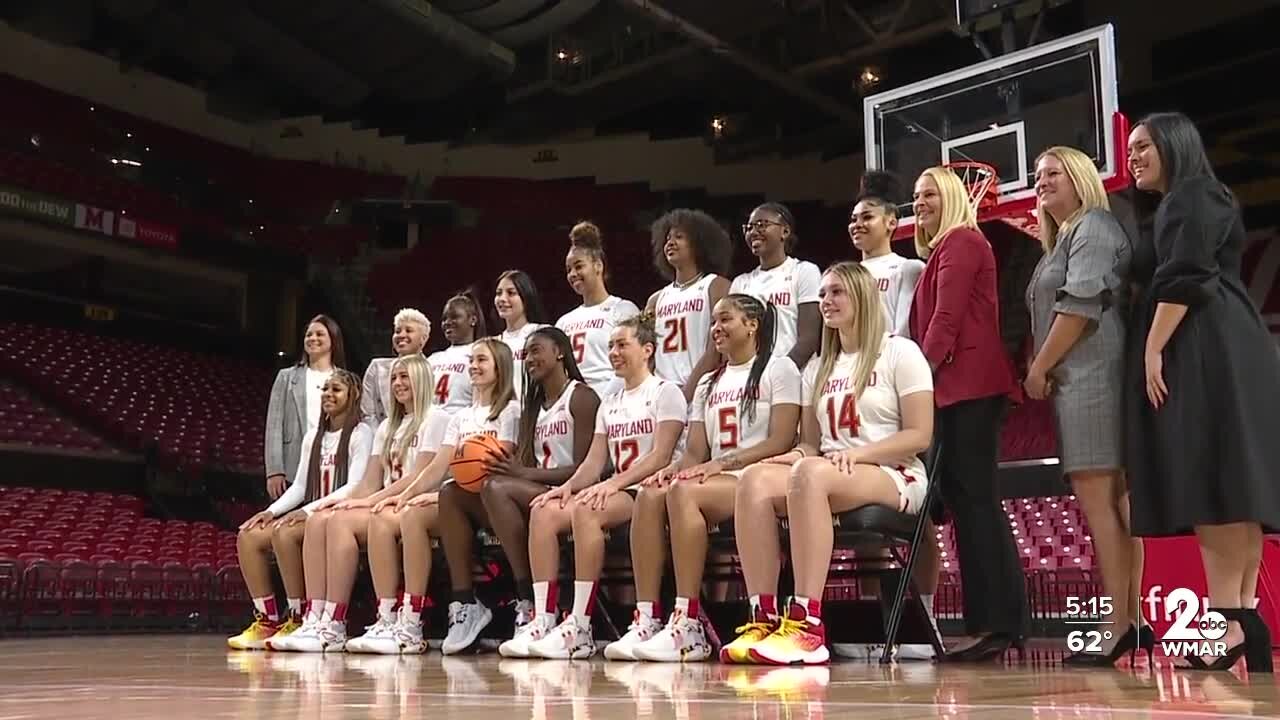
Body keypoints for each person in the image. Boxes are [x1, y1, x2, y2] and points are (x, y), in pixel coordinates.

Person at [1126, 112, 1280, 673]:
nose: (1133, 157)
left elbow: (1187, 273)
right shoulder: (1195, 198)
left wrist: (1152, 347)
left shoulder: (1193, 195)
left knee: (1212, 479)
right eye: (1130, 148)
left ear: (1174, 145)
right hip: (1227, 342)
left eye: (1143, 146)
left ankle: (1229, 620)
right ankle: (1240, 620)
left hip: (1204, 342)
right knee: (1233, 481)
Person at [723, 262, 934, 665]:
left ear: (863, 296)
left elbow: (919, 435)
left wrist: (857, 455)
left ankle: (807, 624)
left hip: (894, 473)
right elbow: (810, 445)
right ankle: (763, 618)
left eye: (836, 292)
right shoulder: (819, 366)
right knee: (753, 479)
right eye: (821, 294)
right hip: (830, 472)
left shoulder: (900, 352)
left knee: (810, 474)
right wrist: (785, 458)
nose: (825, 301)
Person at [627, 294, 800, 662]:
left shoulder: (778, 369)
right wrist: (672, 468)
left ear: (752, 325)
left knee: (683, 493)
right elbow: (694, 452)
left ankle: (688, 621)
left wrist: (722, 463)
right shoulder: (708, 382)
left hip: (762, 476)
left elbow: (782, 439)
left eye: (726, 320)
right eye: (714, 322)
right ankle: (647, 617)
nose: (716, 328)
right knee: (650, 493)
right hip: (721, 479)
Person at [1023, 145, 1144, 665]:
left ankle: (1119, 623)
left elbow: (1078, 307)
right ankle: (1129, 619)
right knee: (1112, 506)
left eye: (1054, 172)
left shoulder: (1093, 225)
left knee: (1103, 506)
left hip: (1093, 378)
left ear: (1079, 177)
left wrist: (1038, 366)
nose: (1041, 180)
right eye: (1038, 174)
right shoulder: (1070, 234)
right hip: (1083, 378)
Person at [908, 166, 1026, 661]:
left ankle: (994, 623)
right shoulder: (947, 249)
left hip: (970, 388)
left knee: (975, 502)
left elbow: (946, 320)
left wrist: (914, 381)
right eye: (916, 197)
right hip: (959, 391)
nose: (920, 203)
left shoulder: (961, 241)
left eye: (930, 194)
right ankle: (996, 622)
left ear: (954, 197)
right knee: (970, 502)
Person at [523, 316, 687, 659]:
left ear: (647, 350)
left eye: (622, 345)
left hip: (653, 489)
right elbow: (594, 462)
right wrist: (566, 488)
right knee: (544, 510)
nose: (613, 352)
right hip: (622, 489)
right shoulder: (609, 401)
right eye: (610, 345)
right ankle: (543, 618)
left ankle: (582, 625)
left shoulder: (665, 391)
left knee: (587, 509)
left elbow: (660, 456)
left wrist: (613, 483)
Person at [272, 354, 442, 652]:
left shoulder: (436, 418)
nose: (398, 383)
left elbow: (418, 476)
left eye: (405, 376)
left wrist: (372, 501)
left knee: (346, 521)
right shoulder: (388, 426)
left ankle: (380, 619)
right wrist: (352, 501)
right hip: (388, 502)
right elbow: (370, 481)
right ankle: (319, 618)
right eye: (394, 378)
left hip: (418, 502)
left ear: (422, 379)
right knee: (321, 518)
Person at [373, 338, 522, 655]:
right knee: (412, 514)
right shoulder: (460, 418)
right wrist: (407, 495)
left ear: (500, 367)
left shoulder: (511, 411)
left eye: (481, 360)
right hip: (462, 502)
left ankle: (526, 604)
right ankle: (416, 618)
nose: (473, 366)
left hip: (498, 502)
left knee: (450, 493)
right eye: (471, 361)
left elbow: (499, 465)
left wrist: (444, 492)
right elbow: (438, 467)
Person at [229, 369, 372, 650]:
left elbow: (355, 486)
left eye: (336, 389)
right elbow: (300, 486)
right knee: (249, 535)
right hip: (313, 513)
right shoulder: (312, 437)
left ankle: (298, 616)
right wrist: (271, 512)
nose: (328, 394)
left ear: (353, 395)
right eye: (325, 389)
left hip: (338, 515)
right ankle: (268, 619)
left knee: (284, 534)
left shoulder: (361, 432)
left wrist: (307, 512)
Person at [486, 328, 600, 657]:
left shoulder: (581, 397)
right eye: (526, 354)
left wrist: (525, 474)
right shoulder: (533, 405)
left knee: (499, 488)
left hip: (576, 491)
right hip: (543, 492)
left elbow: (586, 468)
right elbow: (525, 465)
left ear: (560, 352)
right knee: (490, 485)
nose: (529, 359)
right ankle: (534, 605)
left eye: (536, 350)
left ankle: (532, 598)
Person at [645, 208, 732, 401]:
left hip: (702, 392)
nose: (670, 242)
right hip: (660, 396)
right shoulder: (655, 300)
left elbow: (715, 351)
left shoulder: (716, 286)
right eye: (668, 238)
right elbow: (646, 357)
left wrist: (686, 394)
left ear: (699, 243)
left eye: (679, 236)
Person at [730, 203, 821, 369]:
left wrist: (780, 373)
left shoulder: (804, 271)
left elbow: (809, 338)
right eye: (749, 228)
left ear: (784, 231)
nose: (753, 232)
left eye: (761, 225)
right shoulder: (740, 283)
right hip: (752, 376)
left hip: (796, 373)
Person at [265, 315, 346, 501]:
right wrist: (275, 471)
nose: (312, 338)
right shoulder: (286, 377)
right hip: (292, 470)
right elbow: (274, 427)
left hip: (331, 470)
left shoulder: (345, 380)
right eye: (309, 334)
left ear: (333, 340)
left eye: (319, 334)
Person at [556, 221, 642, 398]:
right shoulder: (563, 322)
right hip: (572, 403)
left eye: (579, 266)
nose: (572, 274)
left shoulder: (623, 309)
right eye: (568, 269)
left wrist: (602, 401)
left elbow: (633, 361)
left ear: (598, 266)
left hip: (612, 399)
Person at [851, 171, 925, 336]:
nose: (857, 225)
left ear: (891, 222)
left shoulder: (908, 268)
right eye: (854, 219)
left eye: (867, 217)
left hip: (891, 351)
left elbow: (905, 331)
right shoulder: (845, 276)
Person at [361, 308, 430, 428]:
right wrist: (384, 435)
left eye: (408, 330)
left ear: (423, 338)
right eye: (398, 331)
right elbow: (367, 414)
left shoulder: (433, 368)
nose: (401, 335)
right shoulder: (377, 368)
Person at [495, 269, 550, 400]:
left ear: (526, 297)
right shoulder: (493, 344)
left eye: (511, 293)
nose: (502, 299)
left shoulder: (543, 333)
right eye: (498, 293)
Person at [430, 291, 484, 425]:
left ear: (473, 320)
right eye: (444, 319)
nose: (448, 322)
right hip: (431, 426)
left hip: (464, 425)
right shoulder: (433, 359)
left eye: (454, 317)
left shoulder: (483, 354)